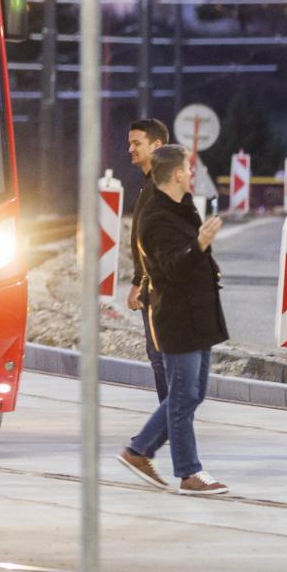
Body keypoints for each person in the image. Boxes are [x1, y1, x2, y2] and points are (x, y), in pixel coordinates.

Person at [118, 144, 230, 496]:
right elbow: (171, 268)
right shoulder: (155, 217)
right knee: (183, 395)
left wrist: (206, 257)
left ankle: (139, 451)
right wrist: (199, 245)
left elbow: (191, 260)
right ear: (177, 174)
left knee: (191, 395)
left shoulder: (181, 208)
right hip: (178, 317)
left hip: (198, 315)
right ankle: (188, 472)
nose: (192, 174)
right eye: (188, 169)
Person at [124, 118, 171, 404]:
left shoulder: (159, 186)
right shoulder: (151, 183)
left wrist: (139, 282)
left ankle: (171, 418)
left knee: (160, 353)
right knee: (159, 353)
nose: (130, 148)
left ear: (157, 145)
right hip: (159, 281)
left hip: (159, 284)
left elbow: (154, 241)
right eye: (129, 143)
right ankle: (171, 416)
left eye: (137, 143)